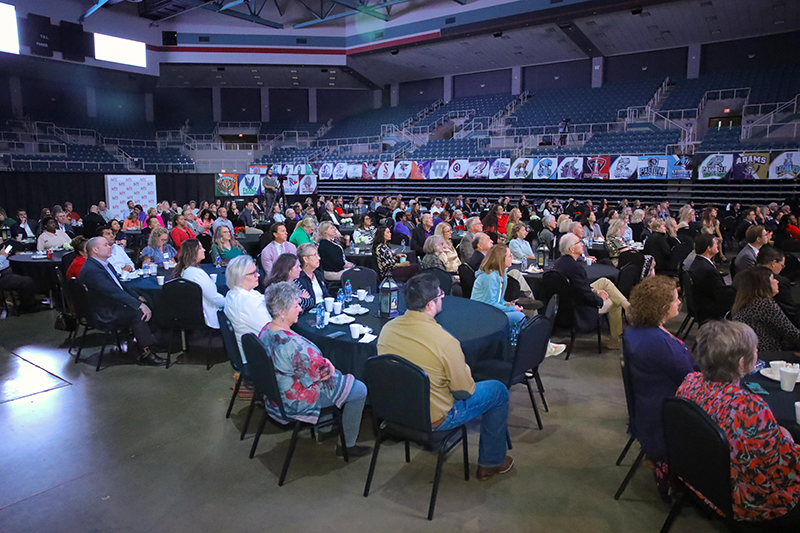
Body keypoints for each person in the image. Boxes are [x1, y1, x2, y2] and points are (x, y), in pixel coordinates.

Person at [377, 272, 513, 479]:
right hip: (435, 418)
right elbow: (465, 391)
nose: (442, 298)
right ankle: (491, 462)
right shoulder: (445, 341)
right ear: (431, 304)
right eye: (440, 294)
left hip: (395, 410)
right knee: (498, 391)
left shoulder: (387, 330)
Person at [677, 320, 800, 528]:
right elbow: (785, 471)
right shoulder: (750, 409)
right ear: (743, 363)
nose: (758, 352)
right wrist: (787, 439)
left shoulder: (690, 382)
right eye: (755, 349)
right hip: (745, 501)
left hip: (701, 483)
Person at [259, 282, 369, 457]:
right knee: (359, 389)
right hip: (295, 401)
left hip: (276, 395)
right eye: (295, 306)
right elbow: (324, 373)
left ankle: (325, 428)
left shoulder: (265, 331)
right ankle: (347, 444)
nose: (300, 310)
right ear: (281, 312)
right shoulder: (295, 345)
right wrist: (328, 365)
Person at [624, 276, 695, 498]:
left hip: (649, 405)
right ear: (660, 306)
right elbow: (690, 379)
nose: (680, 303)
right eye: (675, 299)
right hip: (668, 412)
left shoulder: (638, 331)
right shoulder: (658, 342)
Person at [79, 237, 164, 366]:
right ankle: (145, 353)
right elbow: (113, 291)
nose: (110, 246)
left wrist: (137, 297)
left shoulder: (104, 264)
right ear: (95, 250)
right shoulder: (93, 270)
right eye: (106, 245)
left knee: (148, 302)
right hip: (104, 311)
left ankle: (147, 341)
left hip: (111, 304)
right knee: (138, 313)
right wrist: (138, 304)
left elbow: (120, 285)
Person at [554, 233, 630, 348]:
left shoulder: (559, 263)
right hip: (580, 307)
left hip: (569, 300)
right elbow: (584, 294)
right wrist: (599, 298)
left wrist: (595, 290)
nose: (582, 244)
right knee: (615, 304)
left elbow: (579, 286)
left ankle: (628, 306)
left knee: (604, 281)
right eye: (579, 242)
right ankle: (616, 339)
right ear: (572, 249)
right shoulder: (576, 267)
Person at [731, 266, 800, 352]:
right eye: (773, 279)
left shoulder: (743, 303)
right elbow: (791, 334)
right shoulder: (764, 304)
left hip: (751, 353)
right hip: (767, 355)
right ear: (764, 284)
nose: (777, 281)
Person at [223, 255, 271, 362]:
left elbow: (263, 298)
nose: (258, 275)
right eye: (253, 273)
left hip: (248, 348)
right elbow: (271, 329)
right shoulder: (248, 302)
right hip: (258, 355)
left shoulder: (232, 293)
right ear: (240, 277)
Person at [174, 239, 226, 329]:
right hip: (207, 316)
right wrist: (231, 302)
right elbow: (214, 298)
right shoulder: (197, 274)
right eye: (200, 248)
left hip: (193, 314)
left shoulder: (184, 271)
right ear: (193, 252)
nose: (204, 250)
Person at [471, 243, 525, 326]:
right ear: (501, 259)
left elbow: (498, 300)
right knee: (519, 316)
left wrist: (506, 304)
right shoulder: (489, 277)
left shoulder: (502, 275)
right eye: (509, 256)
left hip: (492, 310)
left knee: (518, 314)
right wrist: (511, 308)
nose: (512, 258)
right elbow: (489, 304)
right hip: (482, 314)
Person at [689, 234, 735, 320]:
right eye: (715, 244)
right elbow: (720, 292)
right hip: (709, 306)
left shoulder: (697, 262)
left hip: (701, 302)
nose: (718, 245)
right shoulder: (707, 269)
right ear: (709, 248)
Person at [757, 245, 799, 326]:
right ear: (773, 263)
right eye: (782, 266)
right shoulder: (779, 281)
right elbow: (790, 313)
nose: (781, 269)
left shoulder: (740, 276)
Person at [295, 243, 330, 311]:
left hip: (324, 309)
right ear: (305, 259)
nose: (319, 258)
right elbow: (305, 303)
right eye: (314, 255)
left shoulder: (318, 274)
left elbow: (327, 295)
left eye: (317, 255)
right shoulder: (299, 279)